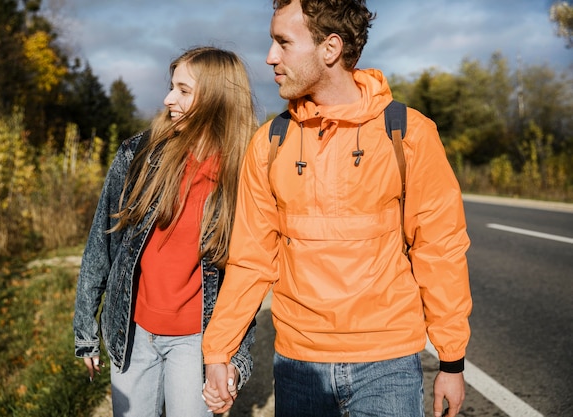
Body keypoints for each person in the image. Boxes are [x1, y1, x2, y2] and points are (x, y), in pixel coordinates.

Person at [201, 1, 472, 416]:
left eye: (283, 43)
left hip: (388, 364)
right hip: (297, 365)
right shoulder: (269, 142)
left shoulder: (409, 133)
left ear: (330, 49)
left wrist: (451, 361)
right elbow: (251, 260)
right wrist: (218, 349)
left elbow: (440, 251)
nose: (270, 57)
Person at [73, 46, 258, 417]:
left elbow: (246, 278)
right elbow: (101, 246)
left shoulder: (245, 172)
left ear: (217, 98)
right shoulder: (139, 155)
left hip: (197, 342)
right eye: (172, 86)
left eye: (183, 90)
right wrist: (86, 332)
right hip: (133, 331)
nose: (168, 98)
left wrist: (236, 361)